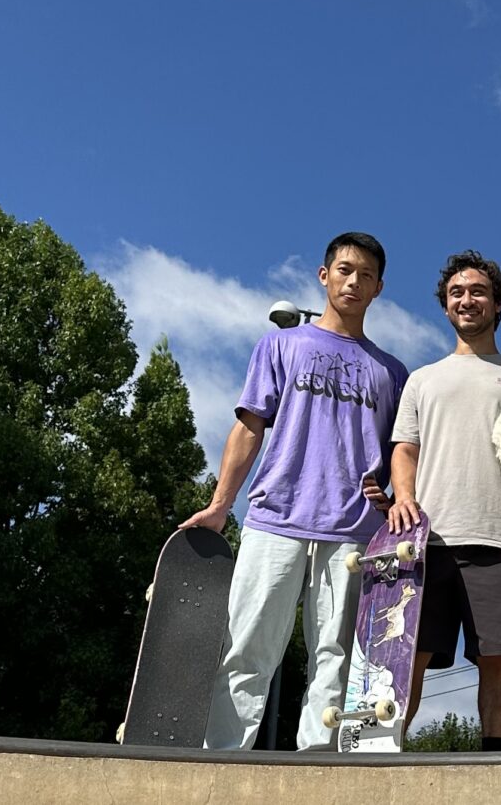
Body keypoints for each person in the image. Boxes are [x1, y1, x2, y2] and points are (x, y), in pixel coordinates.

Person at [181, 232, 409, 750]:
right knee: (246, 651)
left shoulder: (393, 372)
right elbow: (248, 427)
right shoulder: (281, 345)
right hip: (274, 518)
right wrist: (221, 505)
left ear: (378, 289)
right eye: (345, 270)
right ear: (324, 275)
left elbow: (405, 451)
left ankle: (319, 768)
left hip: (354, 532)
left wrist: (396, 503)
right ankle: (222, 763)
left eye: (366, 275)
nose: (354, 281)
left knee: (337, 658)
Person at [376, 250, 501, 751]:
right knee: (408, 654)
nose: (467, 299)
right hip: (423, 543)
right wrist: (402, 497)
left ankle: (493, 761)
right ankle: (380, 753)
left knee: (498, 657)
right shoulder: (422, 379)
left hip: (500, 538)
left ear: (497, 305)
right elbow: (404, 449)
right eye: (457, 293)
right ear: (445, 306)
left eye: (477, 292)